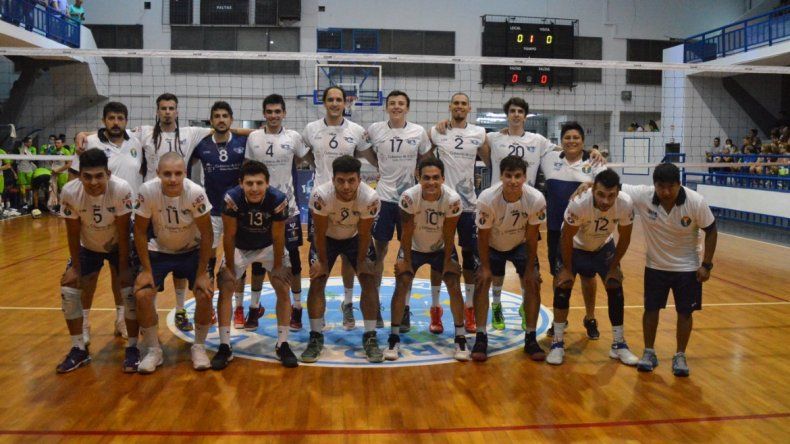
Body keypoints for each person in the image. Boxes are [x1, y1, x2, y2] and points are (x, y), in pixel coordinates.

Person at [302, 86, 378, 329]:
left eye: (339, 100)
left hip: (351, 197)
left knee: (352, 258)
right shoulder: (311, 129)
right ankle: (316, 325)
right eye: (330, 100)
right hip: (323, 201)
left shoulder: (356, 131)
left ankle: (348, 304)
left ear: (346, 103)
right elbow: (304, 157)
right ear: (324, 102)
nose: (335, 103)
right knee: (320, 268)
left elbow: (372, 158)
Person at [547, 169, 639, 366]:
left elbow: (625, 238)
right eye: (601, 195)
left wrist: (614, 267)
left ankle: (619, 344)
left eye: (611, 195)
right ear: (593, 190)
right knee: (563, 287)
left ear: (617, 192)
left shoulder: (625, 203)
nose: (606, 201)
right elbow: (566, 237)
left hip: (602, 246)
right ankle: (557, 343)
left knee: (615, 286)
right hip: (575, 246)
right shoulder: (579, 202)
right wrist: (566, 268)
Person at [132, 152, 213, 373]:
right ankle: (153, 350)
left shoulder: (195, 193)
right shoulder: (148, 191)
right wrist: (147, 270)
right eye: (167, 174)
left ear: (185, 174)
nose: (173, 179)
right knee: (142, 294)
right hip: (160, 251)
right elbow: (139, 232)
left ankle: (199, 346)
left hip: (191, 251)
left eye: (178, 173)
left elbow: (207, 234)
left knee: (205, 293)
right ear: (158, 173)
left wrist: (203, 271)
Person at [55, 148, 134, 373]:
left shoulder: (121, 189)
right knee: (71, 287)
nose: (93, 182)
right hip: (87, 244)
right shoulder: (70, 191)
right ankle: (79, 346)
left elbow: (122, 229)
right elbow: (72, 232)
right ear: (79, 175)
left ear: (108, 173)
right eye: (87, 176)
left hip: (118, 242)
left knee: (127, 285)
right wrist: (75, 268)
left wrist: (125, 267)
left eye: (99, 176)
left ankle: (128, 333)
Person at [71, 102, 143, 341]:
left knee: (120, 273)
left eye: (120, 118)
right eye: (111, 118)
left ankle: (121, 319)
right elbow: (74, 178)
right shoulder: (90, 144)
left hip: (127, 216)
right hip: (93, 216)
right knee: (86, 278)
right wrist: (83, 134)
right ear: (103, 121)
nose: (115, 122)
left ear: (126, 121)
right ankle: (84, 323)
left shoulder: (136, 139)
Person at [214, 160, 297, 368]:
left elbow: (278, 238)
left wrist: (278, 267)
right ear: (241, 183)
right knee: (225, 286)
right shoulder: (231, 199)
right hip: (240, 247)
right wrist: (231, 269)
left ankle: (282, 343)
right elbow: (229, 236)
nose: (254, 188)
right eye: (249, 183)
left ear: (267, 184)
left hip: (268, 246)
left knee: (282, 286)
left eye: (259, 183)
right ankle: (224, 346)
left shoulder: (278, 199)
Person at [366, 90, 435, 333]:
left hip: (410, 200)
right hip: (384, 199)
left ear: (407, 108)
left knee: (408, 252)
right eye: (392, 103)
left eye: (401, 104)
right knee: (379, 252)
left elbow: (428, 159)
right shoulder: (375, 129)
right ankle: (374, 306)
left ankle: (404, 307)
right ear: (387, 107)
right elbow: (364, 149)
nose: (396, 107)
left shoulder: (418, 131)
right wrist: (378, 165)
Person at [301, 155, 382, 363]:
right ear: (333, 179)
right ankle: (316, 337)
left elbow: (365, 234)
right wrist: (322, 262)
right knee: (317, 280)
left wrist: (363, 261)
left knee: (368, 280)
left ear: (359, 179)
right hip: (326, 238)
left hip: (355, 238)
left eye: (351, 181)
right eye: (340, 181)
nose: (346, 186)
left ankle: (370, 336)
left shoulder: (370, 197)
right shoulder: (321, 195)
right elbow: (318, 233)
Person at [386, 157, 468, 361]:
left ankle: (460, 338)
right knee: (402, 281)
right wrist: (404, 258)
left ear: (443, 178)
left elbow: (450, 233)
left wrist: (449, 260)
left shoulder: (453, 200)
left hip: (441, 247)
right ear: (418, 177)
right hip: (413, 247)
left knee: (453, 282)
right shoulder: (409, 197)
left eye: (435, 178)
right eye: (426, 178)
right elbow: (406, 231)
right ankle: (394, 338)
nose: (431, 182)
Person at [245, 94, 310, 331]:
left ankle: (297, 307)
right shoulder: (253, 137)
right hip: (259, 208)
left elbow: (309, 156)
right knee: (258, 260)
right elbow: (248, 169)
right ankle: (254, 308)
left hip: (288, 207)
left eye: (277, 111)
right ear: (264, 114)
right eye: (269, 111)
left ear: (284, 113)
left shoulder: (294, 137)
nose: (273, 115)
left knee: (292, 259)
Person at [473, 155, 546, 362]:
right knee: (482, 281)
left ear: (525, 177)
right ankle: (481, 337)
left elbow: (532, 237)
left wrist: (531, 269)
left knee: (533, 283)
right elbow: (483, 236)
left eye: (517, 176)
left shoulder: (536, 198)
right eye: (508, 176)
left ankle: (530, 338)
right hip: (492, 244)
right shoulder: (487, 198)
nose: (513, 181)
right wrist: (485, 268)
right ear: (501, 176)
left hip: (520, 243)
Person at [427, 92, 489, 333]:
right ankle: (435, 309)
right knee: (437, 257)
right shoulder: (437, 132)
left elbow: (493, 160)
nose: (460, 107)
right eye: (456, 103)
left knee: (469, 259)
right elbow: (421, 154)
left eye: (464, 103)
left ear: (469, 108)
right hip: (441, 205)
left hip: (469, 205)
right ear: (450, 106)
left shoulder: (479, 133)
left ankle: (470, 308)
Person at [541, 122, 606, 339]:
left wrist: (590, 185)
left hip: (584, 231)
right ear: (561, 141)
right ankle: (561, 319)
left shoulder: (594, 161)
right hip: (555, 229)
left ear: (583, 141)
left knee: (588, 276)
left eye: (576, 138)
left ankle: (590, 317)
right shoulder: (549, 158)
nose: (571, 141)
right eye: (567, 137)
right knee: (559, 275)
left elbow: (607, 188)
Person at [188, 101, 249, 329]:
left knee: (238, 262)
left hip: (237, 212)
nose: (221, 119)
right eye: (217, 116)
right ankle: (210, 307)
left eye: (225, 116)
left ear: (231, 119)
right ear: (211, 120)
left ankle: (240, 308)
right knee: (208, 261)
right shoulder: (201, 145)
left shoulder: (242, 143)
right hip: (211, 211)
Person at [17, 137, 37, 209]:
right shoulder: (19, 149)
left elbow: (33, 159)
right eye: (29, 142)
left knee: (30, 186)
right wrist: (22, 151)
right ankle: (24, 202)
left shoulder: (33, 149)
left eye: (31, 142)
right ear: (25, 143)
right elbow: (17, 159)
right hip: (21, 170)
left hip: (29, 170)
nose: (31, 143)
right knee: (22, 187)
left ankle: (30, 202)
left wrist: (27, 152)